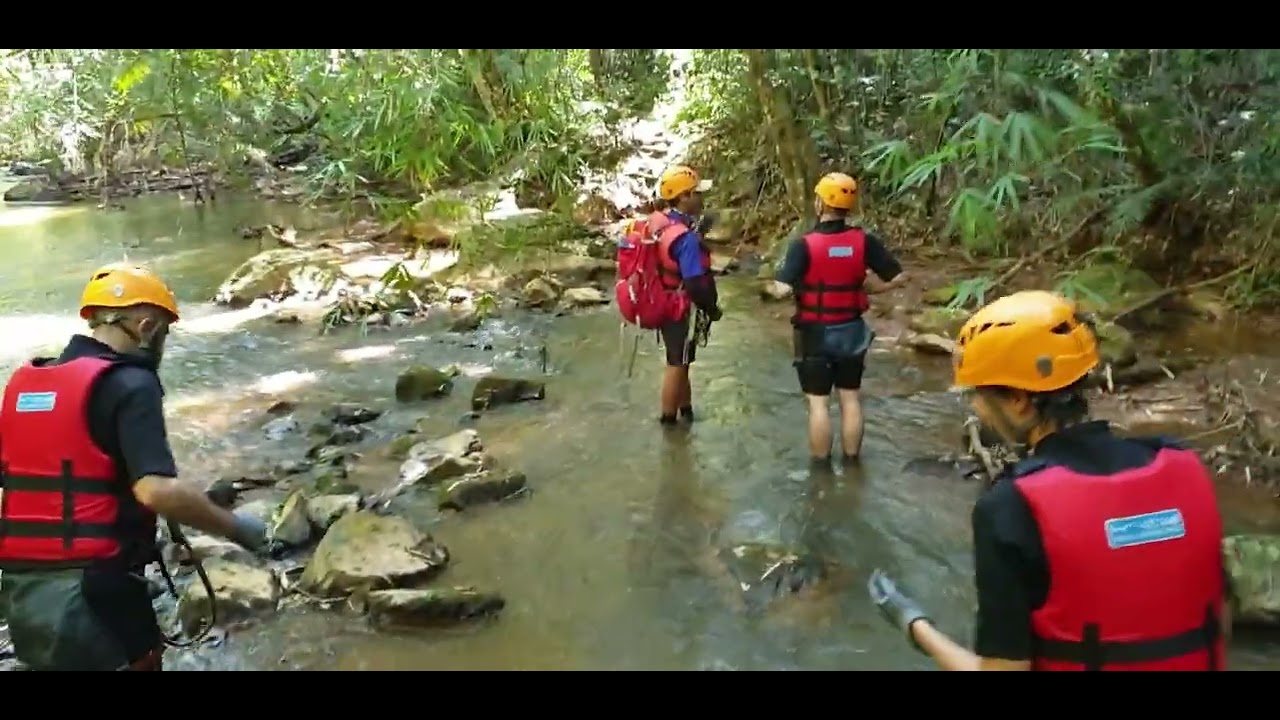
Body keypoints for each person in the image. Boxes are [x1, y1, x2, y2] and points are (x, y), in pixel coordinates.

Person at [868, 290, 1228, 671]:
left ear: (1018, 399)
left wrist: (913, 625)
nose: (974, 406)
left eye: (977, 393)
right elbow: (1217, 618)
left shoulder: (1010, 508)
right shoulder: (1184, 465)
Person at [0, 264, 271, 671]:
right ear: (146, 327)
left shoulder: (26, 383)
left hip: (21, 587)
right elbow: (155, 490)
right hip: (99, 586)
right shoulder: (131, 383)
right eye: (164, 332)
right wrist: (235, 527)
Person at [772, 172, 906, 464]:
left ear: (820, 203)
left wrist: (780, 287)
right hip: (851, 331)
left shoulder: (803, 245)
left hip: (814, 332)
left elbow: (781, 289)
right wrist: (868, 287)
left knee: (819, 404)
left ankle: (821, 469)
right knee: (850, 397)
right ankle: (852, 462)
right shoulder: (864, 242)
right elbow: (898, 277)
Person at [654, 165, 721, 426]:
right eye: (696, 193)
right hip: (680, 308)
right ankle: (669, 423)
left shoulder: (664, 223)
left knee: (682, 360)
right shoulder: (686, 239)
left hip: (665, 300)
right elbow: (694, 282)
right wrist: (712, 309)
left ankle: (686, 412)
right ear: (683, 197)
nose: (701, 197)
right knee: (677, 362)